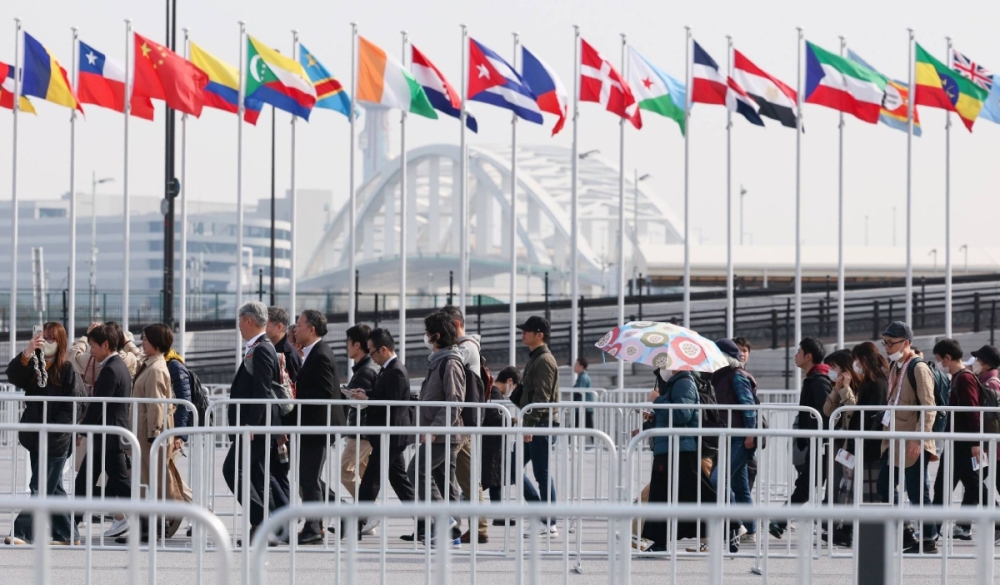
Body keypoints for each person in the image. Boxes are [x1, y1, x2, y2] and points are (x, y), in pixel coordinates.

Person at [642, 368, 738, 553]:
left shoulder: (684, 382)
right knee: (661, 494)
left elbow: (682, 414)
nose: (663, 368)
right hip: (669, 446)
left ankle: (732, 524)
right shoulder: (675, 383)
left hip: (680, 448)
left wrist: (657, 401)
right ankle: (660, 542)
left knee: (697, 492)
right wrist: (656, 413)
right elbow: (674, 413)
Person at [4, 323, 84, 546]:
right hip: (37, 437)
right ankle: (68, 534)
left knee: (40, 486)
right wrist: (28, 351)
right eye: (44, 337)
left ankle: (22, 532)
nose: (47, 342)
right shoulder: (36, 367)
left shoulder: (67, 370)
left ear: (60, 342)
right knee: (53, 487)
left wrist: (55, 430)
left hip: (56, 440)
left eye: (52, 338)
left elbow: (73, 408)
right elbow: (13, 376)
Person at [222, 301, 284, 546]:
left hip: (256, 427)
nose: (238, 326)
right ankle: (264, 530)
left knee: (231, 470)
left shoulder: (261, 349)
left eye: (239, 320)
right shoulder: (257, 347)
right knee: (257, 476)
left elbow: (262, 391)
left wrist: (250, 425)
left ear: (248, 320)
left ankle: (262, 521)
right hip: (256, 426)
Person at [403, 312, 465, 545]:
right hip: (440, 433)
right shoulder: (439, 360)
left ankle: (443, 518)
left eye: (428, 334)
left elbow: (454, 402)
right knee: (444, 483)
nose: (426, 338)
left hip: (443, 435)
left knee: (415, 470)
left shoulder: (450, 362)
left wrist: (434, 429)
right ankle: (452, 534)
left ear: (437, 335)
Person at [875, 321, 937, 554]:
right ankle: (905, 533)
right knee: (884, 486)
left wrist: (918, 439)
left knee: (917, 491)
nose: (887, 347)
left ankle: (929, 538)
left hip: (912, 439)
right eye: (885, 343)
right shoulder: (896, 367)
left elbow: (928, 407)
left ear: (907, 343)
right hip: (893, 438)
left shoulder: (918, 368)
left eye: (891, 343)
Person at [125, 323, 184, 542]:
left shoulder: (157, 368)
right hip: (144, 432)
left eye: (146, 339)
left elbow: (157, 403)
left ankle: (158, 524)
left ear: (157, 342)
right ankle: (148, 526)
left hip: (149, 435)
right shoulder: (149, 364)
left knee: (151, 482)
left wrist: (154, 433)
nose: (142, 343)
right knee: (148, 481)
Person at [769, 337, 832, 540]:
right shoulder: (814, 379)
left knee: (808, 484)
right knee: (808, 483)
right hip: (814, 444)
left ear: (808, 356)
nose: (795, 355)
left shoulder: (819, 381)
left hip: (821, 444)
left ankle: (781, 520)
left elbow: (825, 413)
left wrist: (815, 437)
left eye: (798, 352)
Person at [930, 339, 991, 543]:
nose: (938, 363)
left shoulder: (964, 378)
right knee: (974, 487)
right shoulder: (957, 377)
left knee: (942, 486)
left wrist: (975, 441)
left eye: (939, 359)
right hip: (960, 440)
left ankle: (932, 530)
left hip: (963, 442)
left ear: (948, 358)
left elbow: (973, 411)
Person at [77, 323, 134, 538]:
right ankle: (71, 524)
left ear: (106, 345)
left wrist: (81, 431)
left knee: (121, 485)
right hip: (109, 436)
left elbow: (98, 405)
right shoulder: (118, 366)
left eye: (93, 346)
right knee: (85, 482)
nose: (91, 351)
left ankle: (148, 521)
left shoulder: (111, 369)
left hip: (109, 437)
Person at [356, 329, 416, 530]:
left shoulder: (396, 370)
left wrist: (368, 400)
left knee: (371, 479)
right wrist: (366, 394)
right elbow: (385, 395)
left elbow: (393, 403)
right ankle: (426, 524)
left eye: (372, 352)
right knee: (400, 482)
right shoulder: (389, 368)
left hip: (391, 435)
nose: (371, 356)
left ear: (383, 349)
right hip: (389, 434)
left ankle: (356, 523)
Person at [293, 309, 344, 544]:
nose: (295, 328)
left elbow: (324, 394)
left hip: (318, 426)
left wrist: (295, 394)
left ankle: (314, 527)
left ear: (311, 329)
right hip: (313, 425)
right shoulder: (314, 353)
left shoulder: (321, 354)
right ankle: (344, 513)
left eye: (299, 324)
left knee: (309, 478)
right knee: (309, 477)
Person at [440, 305, 488, 544]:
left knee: (445, 472)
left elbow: (444, 361)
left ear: (456, 324)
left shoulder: (465, 348)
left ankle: (457, 527)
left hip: (459, 420)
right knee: (467, 477)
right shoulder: (468, 346)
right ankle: (478, 527)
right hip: (462, 421)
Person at [512, 316, 560, 537]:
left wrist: (528, 425)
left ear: (539, 334)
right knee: (510, 468)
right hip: (534, 423)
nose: (523, 333)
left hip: (540, 424)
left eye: (527, 331)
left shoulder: (544, 360)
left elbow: (542, 397)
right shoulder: (535, 358)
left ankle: (548, 521)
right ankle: (542, 516)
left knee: (541, 473)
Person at [710, 338, 758, 543]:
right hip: (731, 436)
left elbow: (748, 407)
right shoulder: (722, 376)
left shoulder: (737, 376)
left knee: (718, 480)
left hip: (739, 437)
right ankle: (751, 530)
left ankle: (736, 524)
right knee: (740, 487)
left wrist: (750, 434)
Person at [340, 324, 377, 503]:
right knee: (362, 473)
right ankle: (369, 515)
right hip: (363, 430)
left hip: (362, 431)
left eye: (348, 341)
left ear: (356, 345)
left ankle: (370, 510)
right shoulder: (365, 368)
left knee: (346, 471)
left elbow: (368, 400)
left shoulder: (366, 370)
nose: (346, 346)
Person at [68, 321, 142, 391]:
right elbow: (143, 359)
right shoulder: (128, 359)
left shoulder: (89, 359)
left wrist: (86, 335)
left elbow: (72, 355)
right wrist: (127, 341)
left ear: (105, 343)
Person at [485, 367, 518, 522]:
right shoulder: (495, 392)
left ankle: (499, 515)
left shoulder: (492, 390)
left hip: (493, 441)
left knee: (494, 481)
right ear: (509, 381)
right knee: (489, 480)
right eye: (514, 386)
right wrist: (513, 420)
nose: (512, 390)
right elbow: (494, 418)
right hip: (493, 442)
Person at [572, 358, 594, 431]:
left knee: (574, 426)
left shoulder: (583, 377)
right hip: (584, 407)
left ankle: (597, 441)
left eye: (576, 364)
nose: (574, 366)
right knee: (588, 427)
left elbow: (579, 391)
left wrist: (573, 400)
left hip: (584, 407)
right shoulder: (582, 377)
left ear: (581, 366)